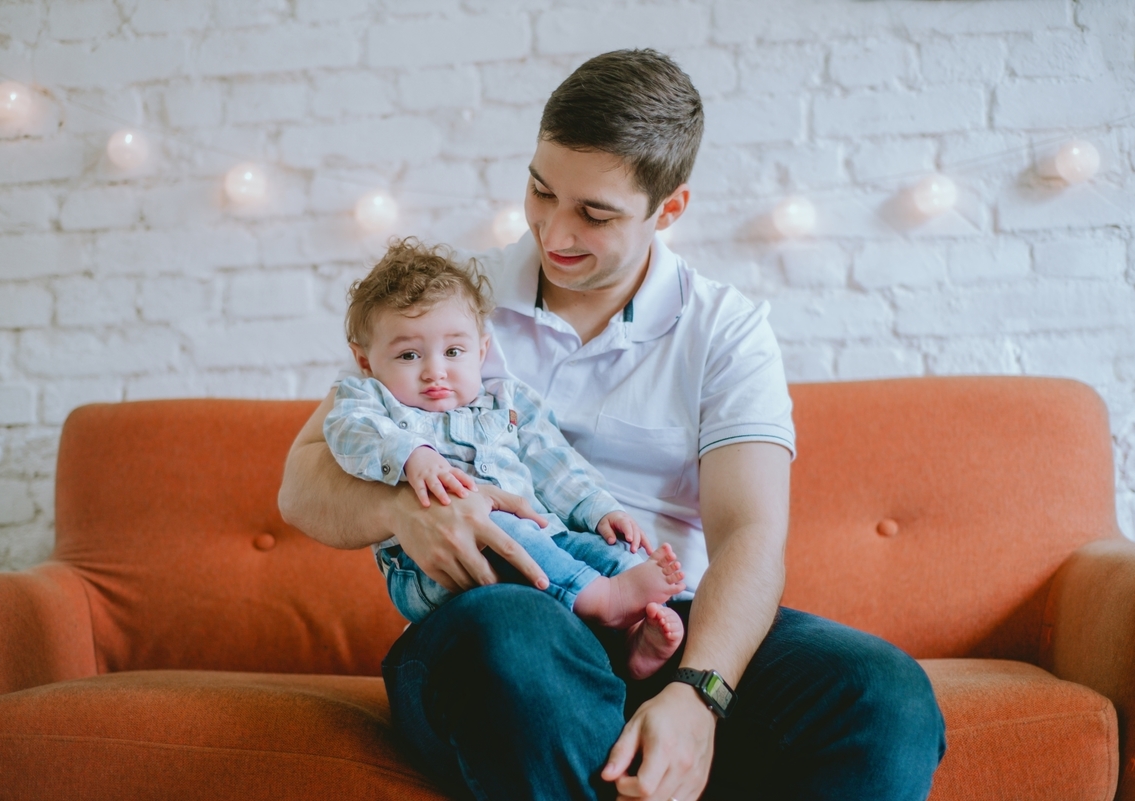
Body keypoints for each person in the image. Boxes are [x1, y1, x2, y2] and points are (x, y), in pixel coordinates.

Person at [280, 48, 945, 800]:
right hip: (498, 626)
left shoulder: (724, 331)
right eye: (540, 190)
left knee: (883, 693)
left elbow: (751, 536)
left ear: (669, 210)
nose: (553, 230)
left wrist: (700, 693)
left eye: (594, 213)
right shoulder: (453, 302)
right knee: (515, 640)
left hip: (663, 623)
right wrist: (402, 507)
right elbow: (301, 481)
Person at [324, 237, 687, 679]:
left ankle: (631, 642)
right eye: (408, 355)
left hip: (544, 538)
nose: (434, 370)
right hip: (433, 566)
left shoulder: (508, 403)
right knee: (494, 520)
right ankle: (602, 601)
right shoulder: (368, 399)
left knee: (614, 555)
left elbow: (551, 459)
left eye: (453, 352)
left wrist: (598, 508)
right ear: (365, 360)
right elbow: (347, 433)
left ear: (481, 350)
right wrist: (410, 454)